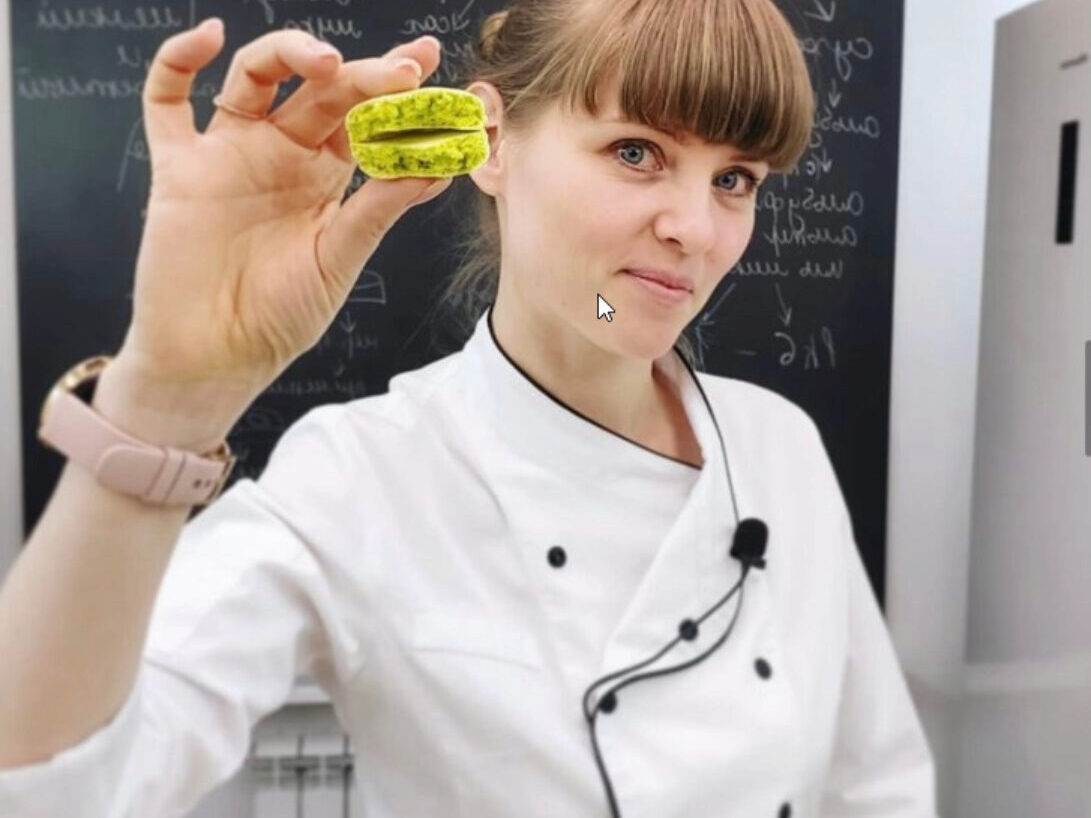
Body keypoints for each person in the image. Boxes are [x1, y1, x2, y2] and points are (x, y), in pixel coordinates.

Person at [0, 1, 939, 816]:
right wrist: (165, 399)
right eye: (636, 152)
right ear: (490, 141)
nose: (695, 230)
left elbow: (877, 785)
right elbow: (51, 792)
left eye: (734, 180)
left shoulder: (777, 444)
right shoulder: (363, 475)